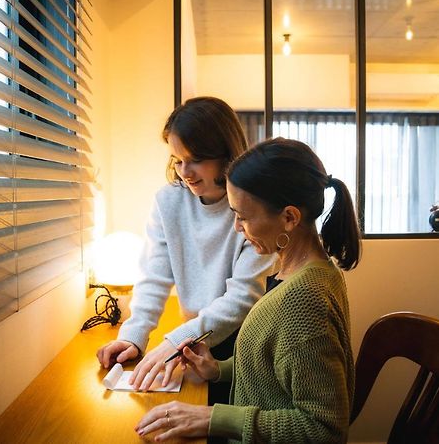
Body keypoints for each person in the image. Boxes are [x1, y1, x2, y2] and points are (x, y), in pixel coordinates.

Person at [135, 137, 361, 443]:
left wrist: (215, 417)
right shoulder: (301, 271)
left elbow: (324, 430)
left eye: (242, 217)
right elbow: (276, 370)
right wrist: (218, 370)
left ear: (289, 217)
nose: (237, 228)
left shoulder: (303, 299)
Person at [96, 97, 275, 397]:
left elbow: (243, 296)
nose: (185, 171)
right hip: (190, 339)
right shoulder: (168, 201)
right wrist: (133, 337)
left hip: (241, 344)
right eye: (177, 160)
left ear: (224, 153)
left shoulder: (251, 206)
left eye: (194, 159)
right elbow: (154, 275)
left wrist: (174, 340)